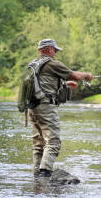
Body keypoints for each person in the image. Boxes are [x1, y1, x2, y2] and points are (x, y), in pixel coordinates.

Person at [28, 38, 93, 177]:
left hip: (32, 108)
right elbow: (75, 75)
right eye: (55, 50)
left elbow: (43, 84)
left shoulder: (33, 64)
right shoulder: (51, 63)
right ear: (49, 49)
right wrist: (87, 75)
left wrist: (65, 84)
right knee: (53, 142)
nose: (55, 53)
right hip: (46, 107)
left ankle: (37, 174)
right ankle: (45, 174)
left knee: (38, 144)